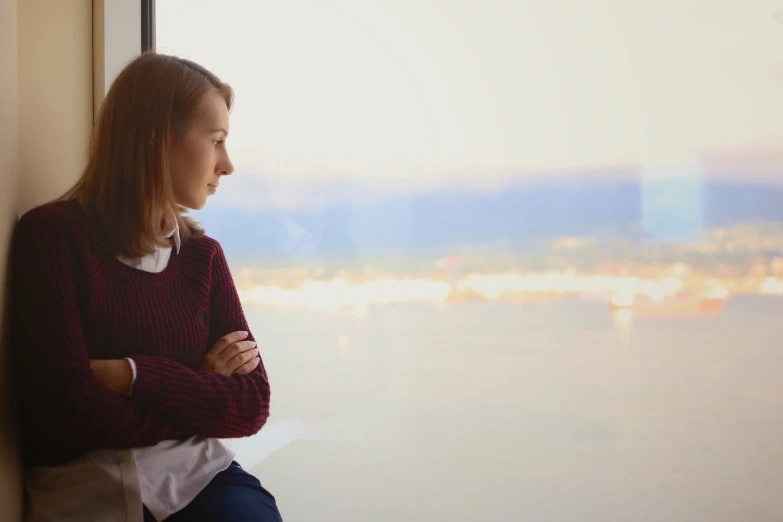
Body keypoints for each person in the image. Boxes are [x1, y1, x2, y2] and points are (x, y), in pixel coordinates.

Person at [11, 52, 283, 521]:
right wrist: (199, 384)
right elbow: (63, 415)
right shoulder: (53, 237)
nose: (228, 164)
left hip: (203, 483)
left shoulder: (203, 257)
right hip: (87, 495)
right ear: (157, 137)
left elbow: (252, 402)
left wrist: (131, 376)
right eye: (216, 140)